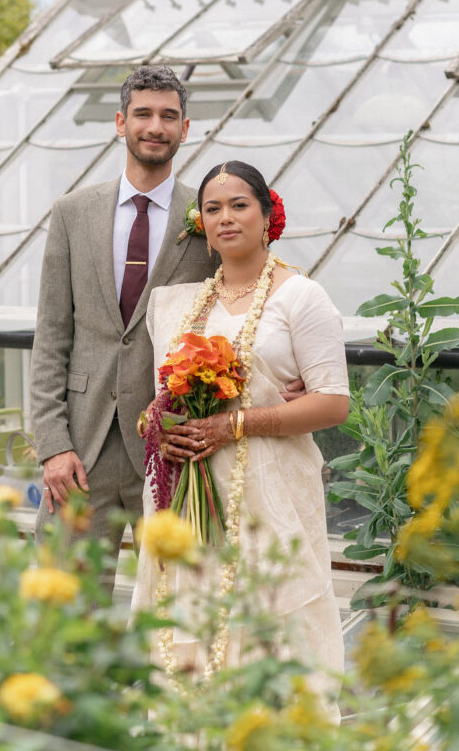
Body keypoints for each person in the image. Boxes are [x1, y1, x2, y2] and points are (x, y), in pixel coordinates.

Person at [133, 160, 349, 708]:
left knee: (269, 633)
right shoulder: (182, 303)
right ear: (201, 225)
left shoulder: (300, 296)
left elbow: (333, 403)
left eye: (238, 205)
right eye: (212, 209)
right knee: (191, 632)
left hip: (271, 498)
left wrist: (235, 424)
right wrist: (159, 429)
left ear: (267, 214)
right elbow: (157, 402)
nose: (225, 217)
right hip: (189, 500)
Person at [29, 65, 217, 569]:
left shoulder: (209, 217)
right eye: (143, 114)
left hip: (172, 447)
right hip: (80, 450)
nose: (155, 126)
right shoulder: (72, 213)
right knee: (67, 602)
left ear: (185, 128)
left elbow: (245, 306)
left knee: (175, 603)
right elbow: (51, 337)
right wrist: (52, 446)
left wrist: (284, 375)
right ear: (120, 122)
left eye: (168, 116)